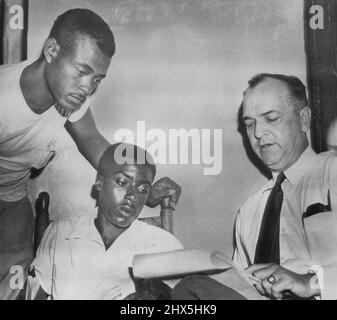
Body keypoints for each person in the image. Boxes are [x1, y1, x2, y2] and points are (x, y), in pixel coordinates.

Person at [0, 8, 181, 299]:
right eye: (82, 71)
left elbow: (98, 147)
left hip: (11, 196)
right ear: (51, 51)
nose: (88, 88)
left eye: (97, 79)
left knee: (13, 289)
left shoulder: (71, 100)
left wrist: (141, 186)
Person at [173, 74, 337, 300]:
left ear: (304, 120)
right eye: (250, 124)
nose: (258, 133)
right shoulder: (250, 209)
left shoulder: (332, 172)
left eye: (271, 118)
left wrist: (310, 282)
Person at [28, 143, 183, 300]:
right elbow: (33, 295)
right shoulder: (61, 233)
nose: (133, 196)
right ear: (100, 183)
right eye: (123, 183)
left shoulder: (162, 243)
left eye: (142, 190)